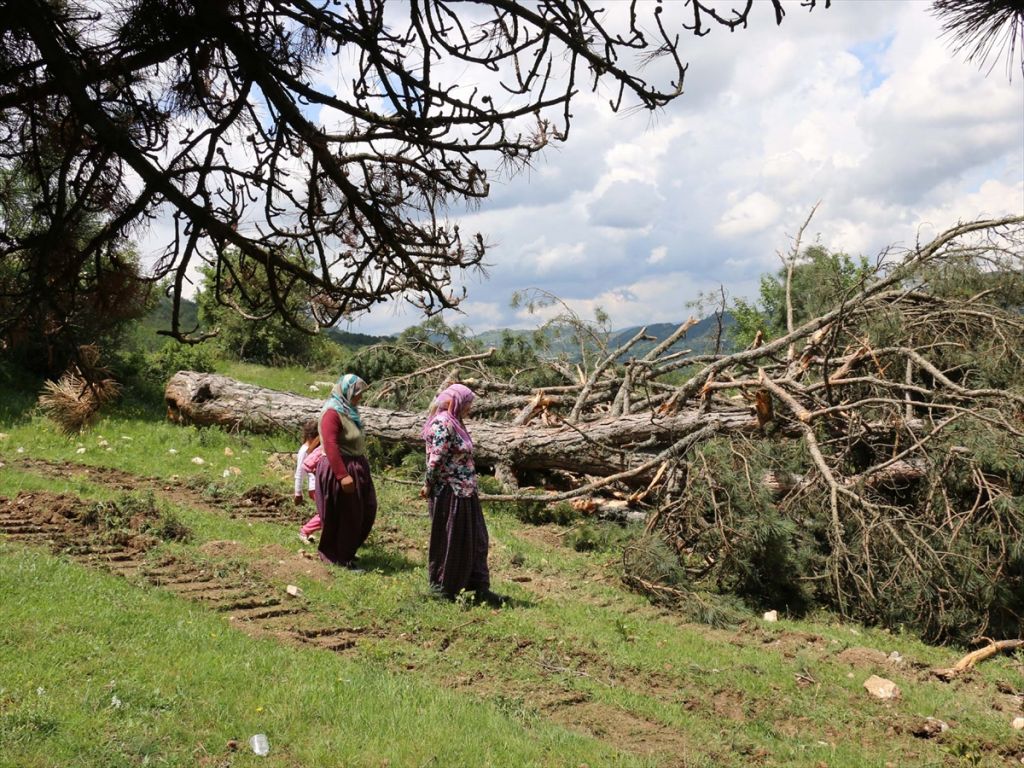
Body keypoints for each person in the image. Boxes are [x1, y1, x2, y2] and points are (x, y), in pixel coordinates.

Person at [420, 383, 501, 605]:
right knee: (451, 540)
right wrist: (428, 484)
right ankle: (445, 589)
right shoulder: (442, 424)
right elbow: (435, 459)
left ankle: (478, 586)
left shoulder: (455, 422)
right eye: (467, 404)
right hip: (450, 491)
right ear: (456, 402)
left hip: (465, 489)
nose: (469, 408)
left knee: (476, 538)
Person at [314, 373, 376, 569]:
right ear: (347, 391)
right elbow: (330, 444)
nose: (360, 397)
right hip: (340, 468)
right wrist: (342, 475)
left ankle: (347, 550)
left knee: (365, 510)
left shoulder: (349, 410)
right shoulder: (333, 412)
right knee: (346, 514)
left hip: (356, 466)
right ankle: (339, 556)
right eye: (357, 393)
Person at [294, 419, 323, 545]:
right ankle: (305, 531)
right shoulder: (304, 451)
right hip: (315, 488)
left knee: (329, 512)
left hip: (321, 486)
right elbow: (299, 473)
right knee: (326, 513)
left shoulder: (318, 450)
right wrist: (298, 493)